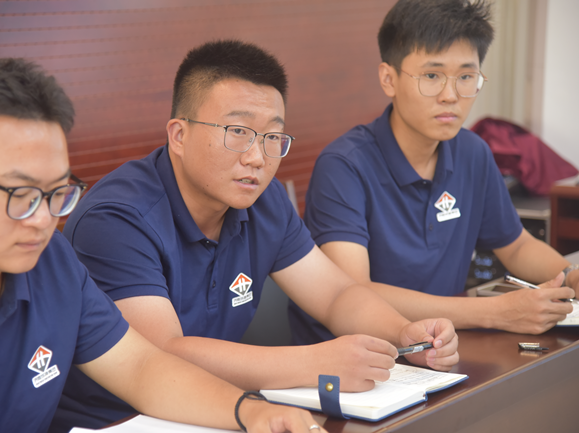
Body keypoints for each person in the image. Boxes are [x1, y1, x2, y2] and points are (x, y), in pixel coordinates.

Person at [53, 39, 459, 432]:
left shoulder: (263, 200)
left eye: (272, 137)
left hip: (227, 410)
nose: (257, 157)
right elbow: (163, 354)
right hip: (116, 422)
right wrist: (314, 362)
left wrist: (402, 332)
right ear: (179, 135)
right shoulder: (117, 218)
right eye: (238, 132)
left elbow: (336, 294)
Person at [0, 57, 323, 433]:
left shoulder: (52, 262)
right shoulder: (114, 218)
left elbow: (141, 368)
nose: (42, 219)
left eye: (56, 194)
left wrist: (251, 412)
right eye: (19, 194)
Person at [289, 0, 577, 348]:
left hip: (440, 348)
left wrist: (569, 276)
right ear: (389, 79)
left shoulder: (473, 152)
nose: (450, 96)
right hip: (359, 356)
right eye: (431, 76)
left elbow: (515, 246)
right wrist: (494, 312)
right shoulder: (343, 165)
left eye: (466, 77)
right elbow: (353, 291)